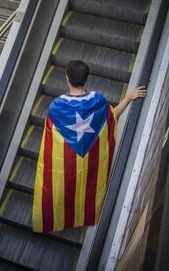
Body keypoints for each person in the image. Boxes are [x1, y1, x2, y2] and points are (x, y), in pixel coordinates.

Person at [32, 60, 147, 233]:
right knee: (86, 191)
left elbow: (49, 141)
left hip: (66, 164)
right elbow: (112, 116)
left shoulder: (56, 107)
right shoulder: (98, 101)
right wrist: (129, 97)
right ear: (86, 79)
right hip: (90, 165)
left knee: (63, 189)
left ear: (67, 78)